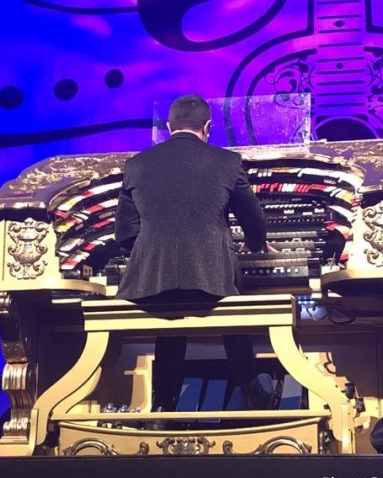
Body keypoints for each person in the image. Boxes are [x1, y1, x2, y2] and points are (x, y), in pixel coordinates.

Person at [114, 94, 274, 412]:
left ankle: (163, 404)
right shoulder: (227, 162)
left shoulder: (136, 165)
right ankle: (251, 391)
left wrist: (150, 254)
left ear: (168, 126)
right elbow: (253, 220)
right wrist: (256, 244)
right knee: (230, 302)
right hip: (211, 278)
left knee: (171, 309)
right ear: (208, 127)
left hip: (150, 282)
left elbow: (125, 234)